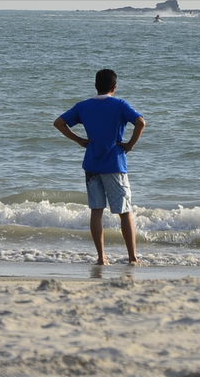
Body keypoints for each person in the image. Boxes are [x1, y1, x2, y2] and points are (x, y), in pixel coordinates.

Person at [53, 68, 147, 265]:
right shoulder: (119, 105)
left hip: (92, 164)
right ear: (115, 86)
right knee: (124, 211)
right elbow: (140, 122)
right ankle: (132, 257)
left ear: (96, 86)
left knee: (96, 211)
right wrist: (129, 145)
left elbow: (59, 123)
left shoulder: (84, 106)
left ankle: (101, 257)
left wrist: (79, 140)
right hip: (114, 164)